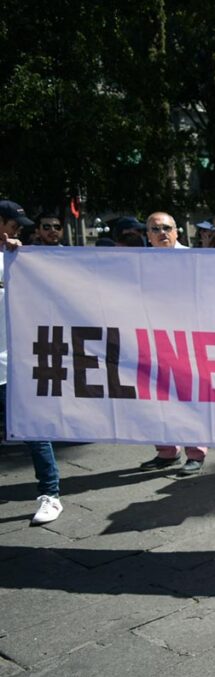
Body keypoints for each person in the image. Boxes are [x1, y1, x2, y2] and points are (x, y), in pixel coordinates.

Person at [0, 200, 62, 524]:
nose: (17, 229)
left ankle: (50, 495)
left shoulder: (16, 256)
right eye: (12, 223)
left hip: (13, 364)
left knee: (36, 431)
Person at [137, 212, 210, 476]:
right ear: (148, 235)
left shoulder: (193, 259)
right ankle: (166, 451)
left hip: (187, 340)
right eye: (155, 229)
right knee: (155, 398)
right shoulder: (139, 262)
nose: (161, 233)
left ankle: (196, 453)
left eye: (167, 228)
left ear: (177, 232)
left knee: (188, 397)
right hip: (151, 339)